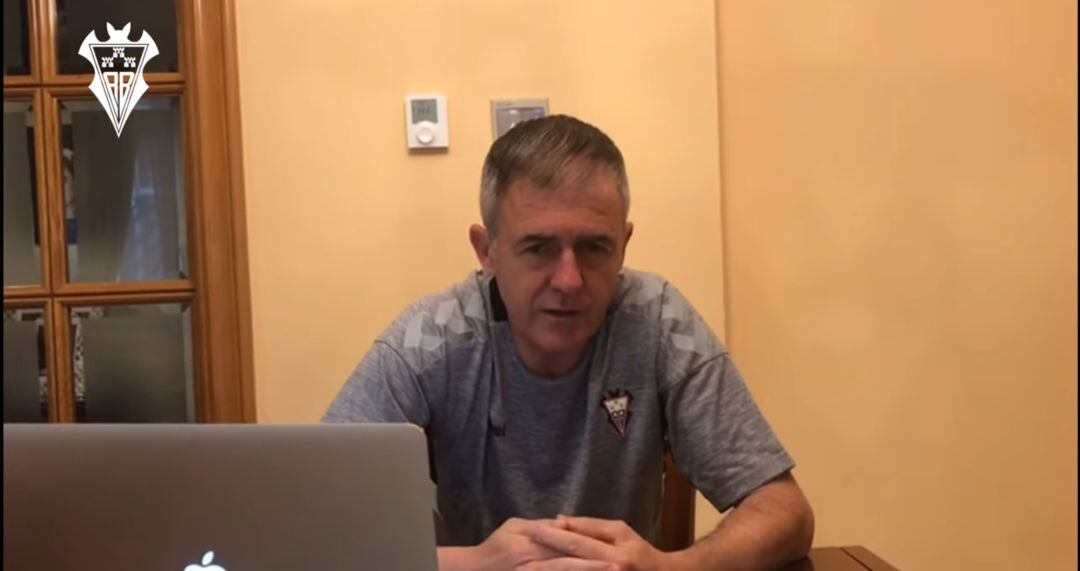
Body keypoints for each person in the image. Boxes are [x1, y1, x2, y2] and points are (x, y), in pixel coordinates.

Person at [325, 115, 814, 570]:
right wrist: (477, 563)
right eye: (538, 248)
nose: (569, 280)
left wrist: (670, 567)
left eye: (594, 247)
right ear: (486, 250)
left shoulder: (661, 321)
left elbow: (785, 512)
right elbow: (318, 525)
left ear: (623, 245)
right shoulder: (429, 339)